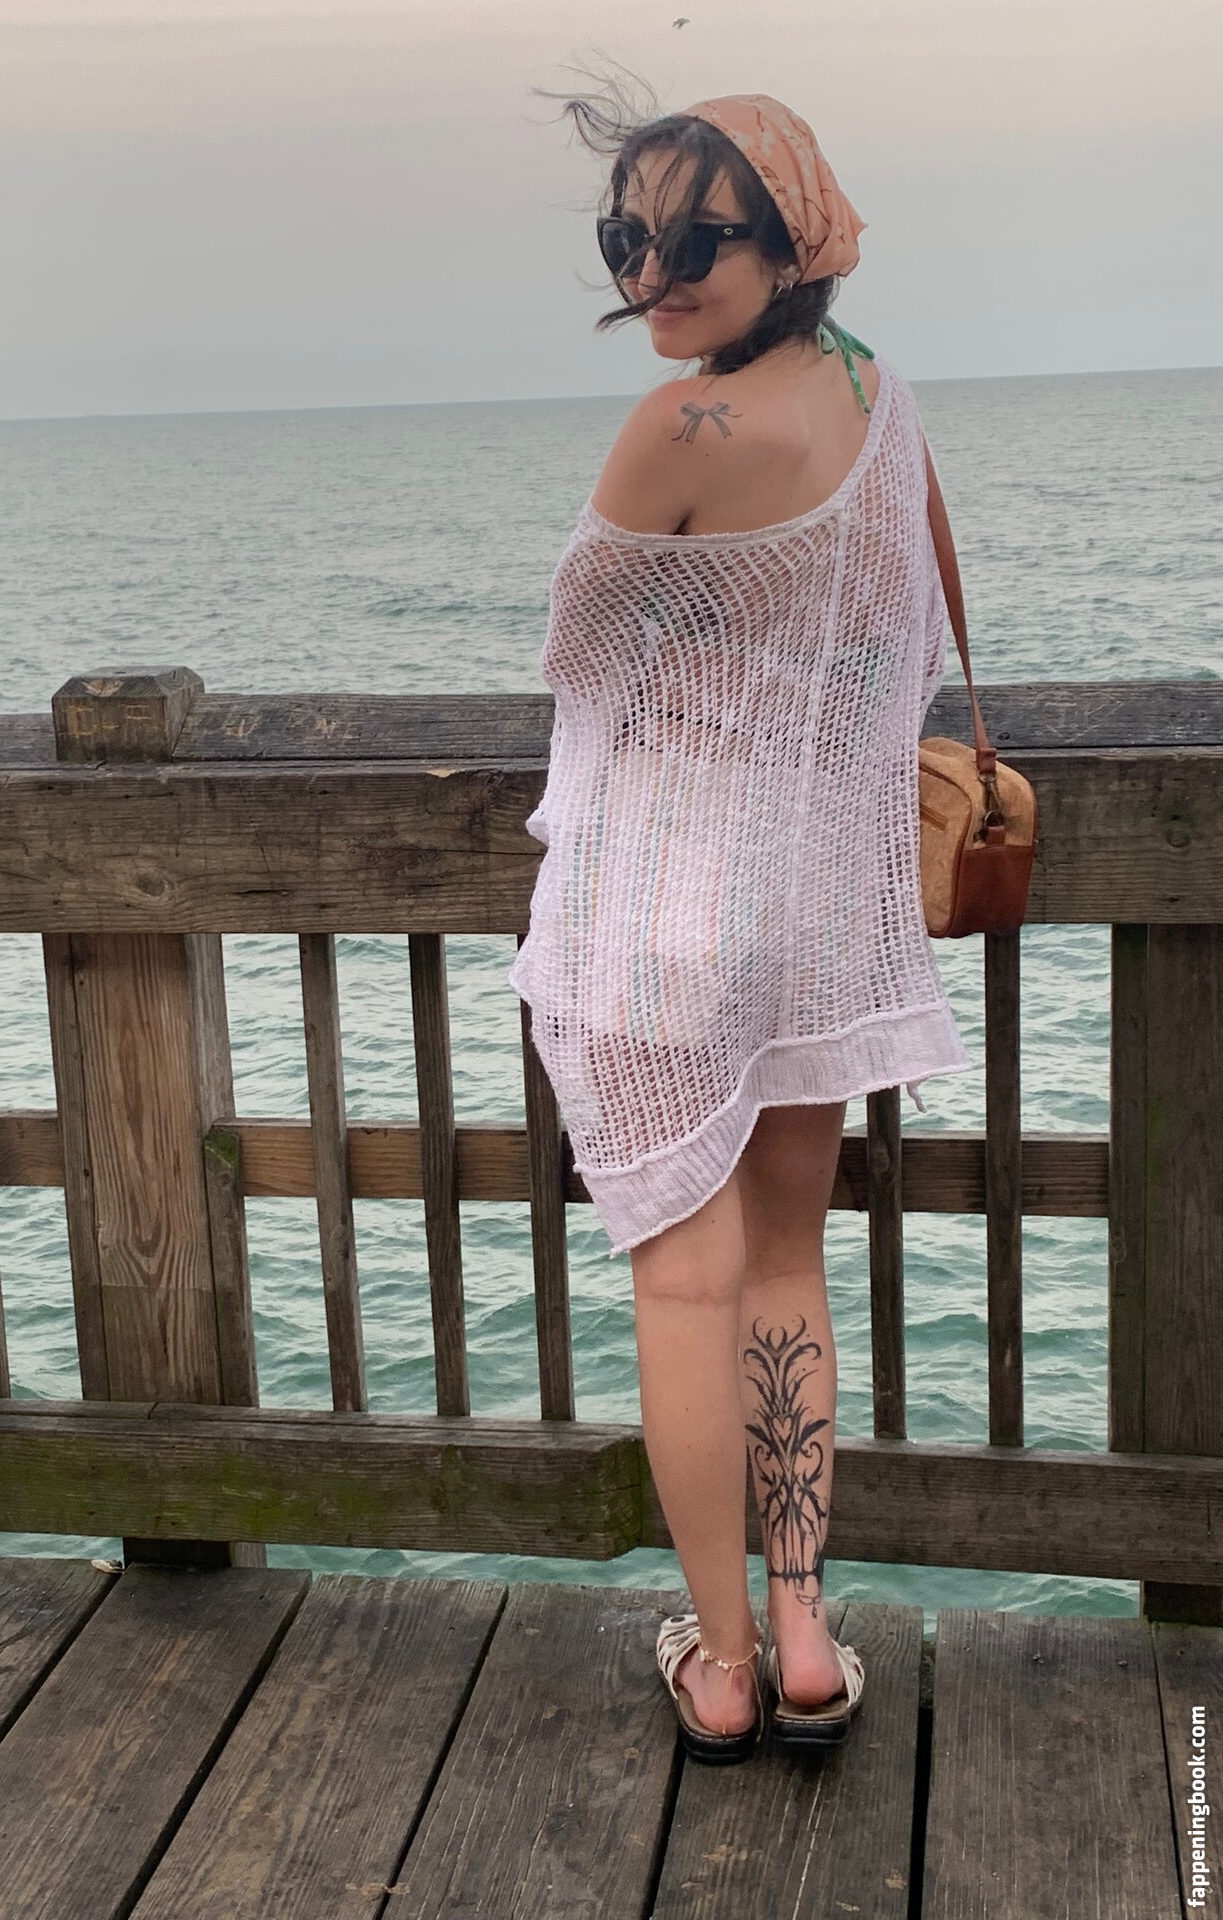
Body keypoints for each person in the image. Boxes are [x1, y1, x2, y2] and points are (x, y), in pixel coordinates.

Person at [507, 85, 971, 1761]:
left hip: (666, 911)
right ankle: (808, 1638)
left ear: (793, 240)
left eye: (699, 236)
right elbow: (884, 641)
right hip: (812, 906)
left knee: (686, 1292)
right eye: (627, 238)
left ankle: (718, 1666)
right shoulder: (874, 394)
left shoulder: (681, 432)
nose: (656, 271)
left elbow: (582, 649)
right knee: (785, 1263)